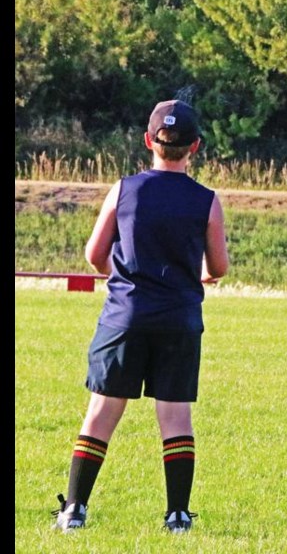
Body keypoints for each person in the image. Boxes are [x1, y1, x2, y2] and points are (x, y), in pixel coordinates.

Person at [51, 100, 230, 534]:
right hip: (179, 319)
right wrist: (199, 276)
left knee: (102, 412)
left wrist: (126, 279)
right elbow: (219, 267)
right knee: (175, 418)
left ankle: (74, 510)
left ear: (149, 141)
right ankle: (178, 515)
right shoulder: (207, 200)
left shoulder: (125, 189)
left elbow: (95, 255)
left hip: (125, 316)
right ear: (196, 147)